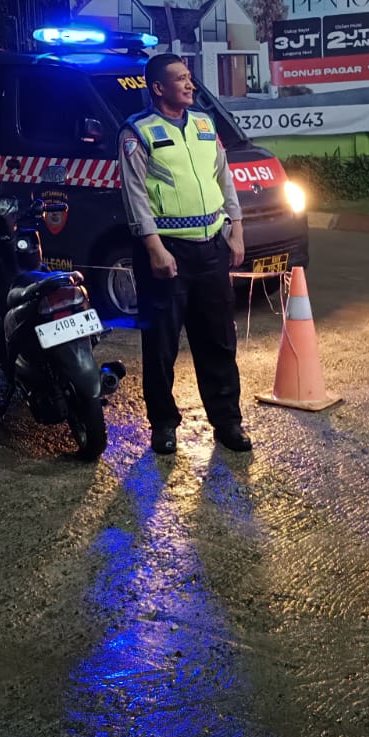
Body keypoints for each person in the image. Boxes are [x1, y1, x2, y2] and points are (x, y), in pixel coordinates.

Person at [117, 53, 251, 456]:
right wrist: (154, 248)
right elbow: (135, 196)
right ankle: (163, 424)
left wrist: (236, 229)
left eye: (189, 77)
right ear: (158, 88)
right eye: (181, 79)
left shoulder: (205, 125)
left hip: (211, 247)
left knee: (219, 340)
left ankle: (227, 421)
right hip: (166, 253)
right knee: (161, 345)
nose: (190, 85)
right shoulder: (137, 132)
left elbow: (223, 178)